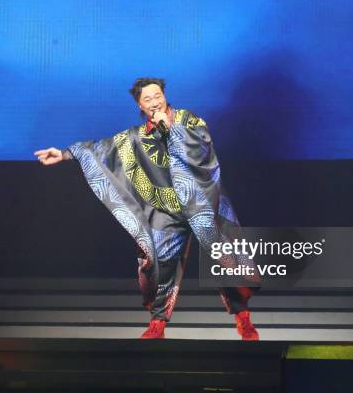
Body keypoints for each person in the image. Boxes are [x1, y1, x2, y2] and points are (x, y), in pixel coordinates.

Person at [35, 77, 259, 340]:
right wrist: (64, 154)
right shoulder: (137, 137)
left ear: (165, 95)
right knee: (155, 260)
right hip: (165, 209)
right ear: (140, 106)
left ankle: (242, 316)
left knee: (225, 255)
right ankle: (158, 322)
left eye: (157, 95)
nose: (154, 102)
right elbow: (102, 148)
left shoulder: (188, 119)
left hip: (202, 204)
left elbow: (202, 147)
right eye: (147, 99)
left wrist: (170, 129)